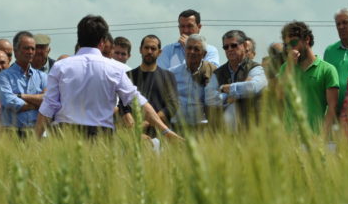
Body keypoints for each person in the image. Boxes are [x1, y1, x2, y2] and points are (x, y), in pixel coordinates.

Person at [35, 15, 181, 140]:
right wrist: (166, 131)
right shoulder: (115, 69)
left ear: (79, 38)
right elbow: (138, 102)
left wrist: (35, 140)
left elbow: (48, 105)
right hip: (101, 137)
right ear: (102, 41)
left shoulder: (61, 67)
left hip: (64, 135)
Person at [279, 21, 339, 134]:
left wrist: (322, 136)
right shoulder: (284, 68)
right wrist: (290, 66)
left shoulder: (327, 69)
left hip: (316, 137)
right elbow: (280, 97)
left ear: (307, 39)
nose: (290, 48)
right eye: (287, 45)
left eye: (294, 42)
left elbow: (332, 107)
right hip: (290, 139)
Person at [206, 30, 267, 130]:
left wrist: (227, 88)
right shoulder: (218, 73)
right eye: (226, 47)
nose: (229, 49)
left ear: (244, 46)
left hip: (251, 129)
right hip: (224, 132)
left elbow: (253, 87)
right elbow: (209, 97)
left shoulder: (256, 68)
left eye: (234, 45)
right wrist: (227, 94)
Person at [0, 31, 47, 136]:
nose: (30, 52)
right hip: (13, 133)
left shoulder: (42, 76)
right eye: (26, 48)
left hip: (38, 134)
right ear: (16, 51)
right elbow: (9, 101)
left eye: (33, 48)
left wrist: (20, 95)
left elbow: (48, 100)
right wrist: (36, 104)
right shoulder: (4, 76)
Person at [128, 35, 179, 135]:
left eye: (153, 48)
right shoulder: (128, 76)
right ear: (140, 50)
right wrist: (134, 128)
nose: (149, 51)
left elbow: (173, 105)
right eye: (146, 48)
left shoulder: (168, 76)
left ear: (159, 52)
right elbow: (123, 106)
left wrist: (147, 123)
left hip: (161, 134)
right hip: (133, 134)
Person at [170, 34, 216, 130]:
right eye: (189, 48)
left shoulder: (212, 73)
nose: (192, 52)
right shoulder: (172, 73)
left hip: (201, 127)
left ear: (204, 54)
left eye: (196, 49)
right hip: (176, 126)